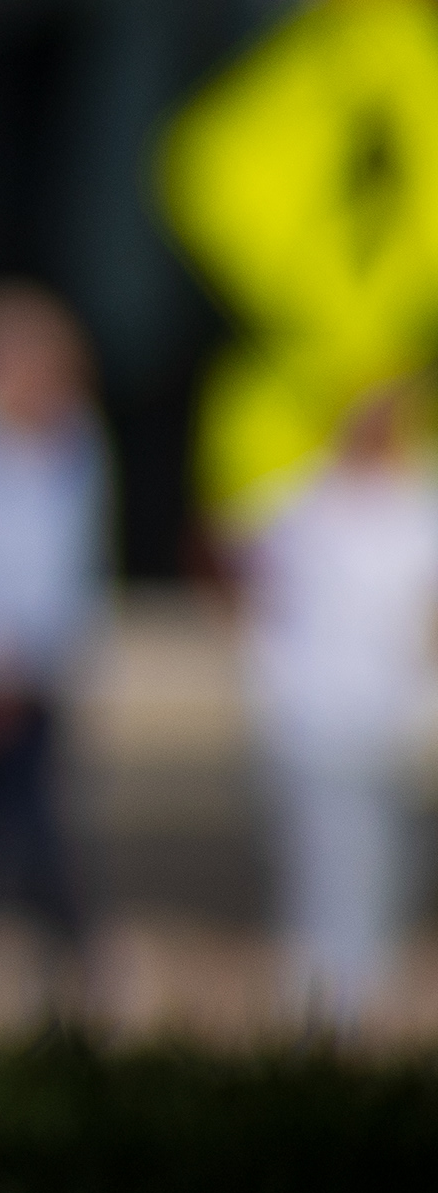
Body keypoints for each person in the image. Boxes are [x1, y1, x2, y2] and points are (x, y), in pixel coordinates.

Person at [238, 383, 438, 1032]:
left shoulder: (415, 506)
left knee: (384, 876)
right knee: (327, 873)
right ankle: (322, 1016)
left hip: (395, 727)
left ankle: (355, 1009)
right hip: (315, 721)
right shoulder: (298, 509)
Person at [0, 281, 107, 997]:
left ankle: (67, 997)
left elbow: (70, 569)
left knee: (43, 845)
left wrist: (38, 660)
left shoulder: (75, 446)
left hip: (34, 685)